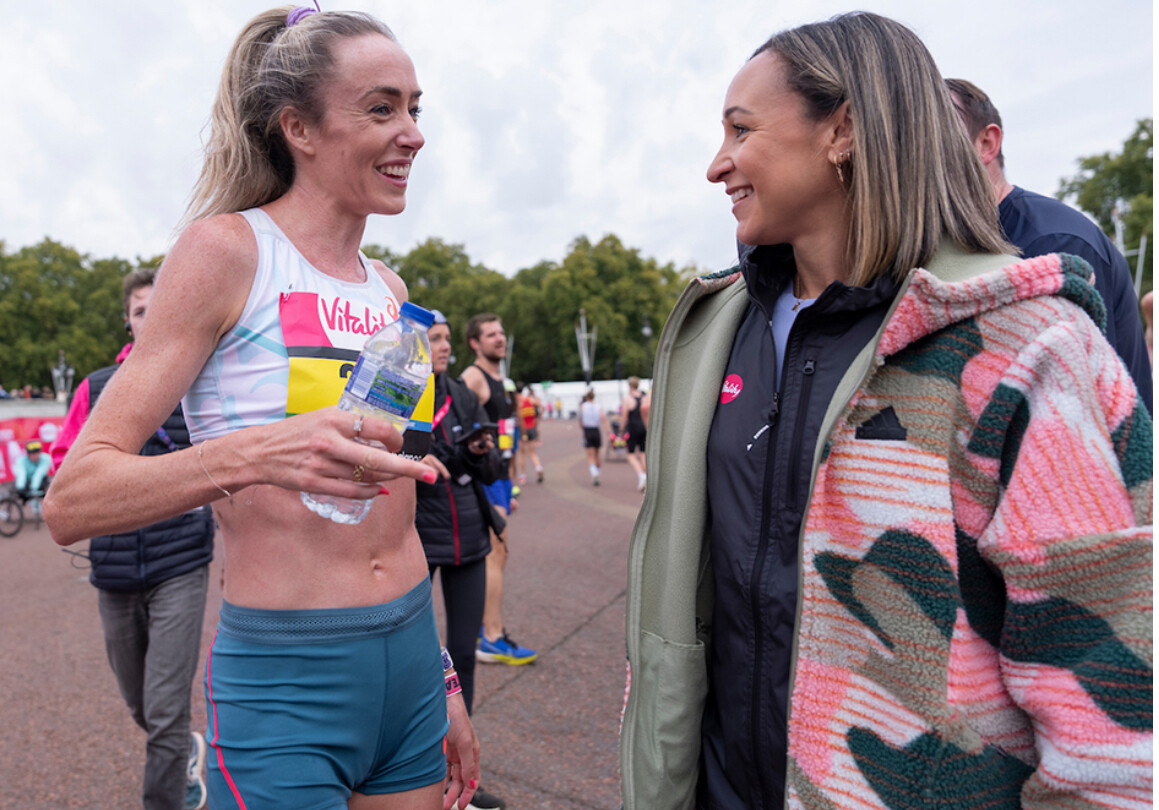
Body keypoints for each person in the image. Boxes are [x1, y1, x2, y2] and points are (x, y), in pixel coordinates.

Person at [620, 12, 1153, 810]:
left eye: (740, 129)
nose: (715, 164)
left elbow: (1108, 703)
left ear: (841, 131)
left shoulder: (1029, 346)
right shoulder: (716, 332)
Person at [44, 8, 479, 810]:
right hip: (288, 684)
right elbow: (74, 500)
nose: (413, 133)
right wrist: (256, 455)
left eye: (415, 108)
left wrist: (442, 678)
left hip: (411, 666)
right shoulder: (225, 253)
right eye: (381, 108)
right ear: (298, 128)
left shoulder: (391, 290)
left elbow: (393, 510)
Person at [51, 267, 215, 810]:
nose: (150, 318)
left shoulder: (199, 379)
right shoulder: (95, 387)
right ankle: (182, 750)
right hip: (114, 567)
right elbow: (63, 467)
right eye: (140, 310)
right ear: (128, 321)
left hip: (181, 562)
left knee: (164, 710)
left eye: (158, 307)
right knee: (140, 705)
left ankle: (167, 795)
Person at [945, 78, 1153, 414]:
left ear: (986, 143)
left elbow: (1083, 413)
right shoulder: (955, 246)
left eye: (935, 135)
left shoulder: (1054, 243)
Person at [416, 310, 507, 810]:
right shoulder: (402, 395)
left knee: (464, 656)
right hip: (419, 540)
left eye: (448, 338)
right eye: (434, 338)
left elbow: (491, 469)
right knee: (417, 660)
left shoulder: (463, 393)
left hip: (470, 539)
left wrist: (478, 453)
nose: (445, 346)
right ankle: (418, 771)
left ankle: (458, 773)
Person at [461, 314, 537, 666]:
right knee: (495, 554)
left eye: (501, 332)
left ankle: (484, 628)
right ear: (475, 343)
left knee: (497, 555)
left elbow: (507, 433)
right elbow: (453, 426)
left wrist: (511, 486)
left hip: (501, 479)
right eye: (491, 334)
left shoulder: (502, 381)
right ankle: (491, 638)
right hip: (485, 480)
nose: (500, 338)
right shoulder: (473, 378)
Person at [618, 377, 649, 492]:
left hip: (633, 429)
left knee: (630, 454)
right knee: (643, 453)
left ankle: (641, 475)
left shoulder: (627, 399)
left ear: (629, 386)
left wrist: (621, 431)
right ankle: (647, 476)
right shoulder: (644, 397)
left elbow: (624, 417)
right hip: (644, 427)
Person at [516, 383, 544, 484]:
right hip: (532, 426)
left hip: (523, 429)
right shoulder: (529, 399)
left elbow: (518, 417)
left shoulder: (517, 402)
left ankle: (523, 476)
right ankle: (538, 467)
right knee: (532, 452)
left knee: (522, 453)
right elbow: (542, 407)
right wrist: (538, 418)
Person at [578, 389, 607, 486]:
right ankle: (598, 472)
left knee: (590, 455)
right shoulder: (598, 406)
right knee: (597, 454)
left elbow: (580, 420)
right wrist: (608, 431)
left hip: (588, 430)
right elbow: (603, 419)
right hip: (596, 430)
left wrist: (582, 428)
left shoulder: (583, 406)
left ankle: (594, 473)